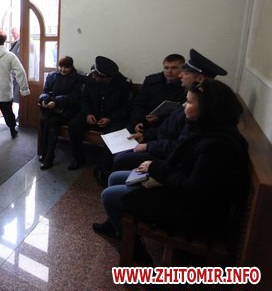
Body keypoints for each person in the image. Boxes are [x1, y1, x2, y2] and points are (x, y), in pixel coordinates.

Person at [93, 80, 248, 256]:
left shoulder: (217, 146)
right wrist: (156, 168)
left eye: (189, 102)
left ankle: (136, 253)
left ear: (208, 108)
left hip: (192, 211)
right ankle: (118, 229)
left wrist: (154, 168)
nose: (183, 106)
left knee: (109, 196)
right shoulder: (207, 129)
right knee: (115, 178)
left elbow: (193, 189)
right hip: (178, 189)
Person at [113, 49, 227, 171]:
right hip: (157, 138)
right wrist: (144, 134)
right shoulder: (193, 97)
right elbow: (168, 128)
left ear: (199, 78)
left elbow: (180, 144)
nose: (180, 75)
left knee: (121, 159)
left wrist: (148, 145)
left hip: (170, 156)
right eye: (166, 68)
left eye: (185, 73)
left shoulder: (201, 108)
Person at [72, 56, 132, 184]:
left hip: (111, 119)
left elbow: (126, 108)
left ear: (107, 78)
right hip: (92, 115)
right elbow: (84, 100)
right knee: (74, 125)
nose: (93, 78)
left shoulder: (123, 85)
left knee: (113, 135)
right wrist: (88, 114)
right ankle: (78, 159)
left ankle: (103, 168)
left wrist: (110, 118)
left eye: (97, 77)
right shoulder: (90, 79)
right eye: (93, 74)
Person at [37, 56, 86, 171]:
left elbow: (74, 97)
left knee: (52, 123)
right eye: (61, 66)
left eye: (66, 67)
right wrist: (44, 100)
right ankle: (47, 155)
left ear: (71, 67)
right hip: (54, 109)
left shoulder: (78, 78)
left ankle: (49, 157)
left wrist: (56, 101)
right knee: (47, 121)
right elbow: (45, 91)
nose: (63, 69)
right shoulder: (52, 75)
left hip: (69, 110)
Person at [127, 54, 186, 137]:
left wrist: (159, 119)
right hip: (143, 121)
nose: (169, 71)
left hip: (165, 126)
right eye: (166, 68)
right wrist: (137, 122)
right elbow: (138, 104)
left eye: (174, 68)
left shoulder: (186, 86)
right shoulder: (151, 81)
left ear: (182, 69)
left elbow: (181, 114)